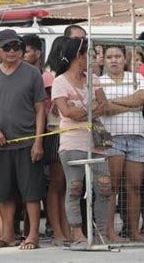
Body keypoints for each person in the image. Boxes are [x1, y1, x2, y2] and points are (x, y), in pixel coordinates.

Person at [0, 29, 46, 250]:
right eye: (7, 47)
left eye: (17, 47)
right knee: (2, 193)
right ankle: (6, 235)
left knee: (31, 193)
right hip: (1, 145)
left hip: (27, 143)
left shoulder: (32, 73)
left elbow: (41, 109)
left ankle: (32, 235)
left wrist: (38, 141)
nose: (13, 51)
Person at [52, 37, 111, 249]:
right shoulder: (60, 81)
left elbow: (104, 105)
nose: (93, 59)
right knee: (75, 187)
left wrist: (83, 111)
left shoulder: (93, 78)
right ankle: (77, 234)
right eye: (90, 55)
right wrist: (91, 108)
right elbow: (66, 112)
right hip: (72, 142)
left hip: (95, 141)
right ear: (79, 56)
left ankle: (101, 232)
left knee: (104, 186)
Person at [100, 45, 144, 242]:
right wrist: (131, 104)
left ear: (125, 58)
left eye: (117, 56)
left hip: (137, 137)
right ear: (103, 60)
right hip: (111, 138)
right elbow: (103, 108)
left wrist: (114, 104)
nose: (113, 60)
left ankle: (133, 231)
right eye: (109, 56)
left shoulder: (136, 77)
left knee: (134, 187)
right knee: (112, 188)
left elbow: (143, 98)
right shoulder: (99, 81)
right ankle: (110, 232)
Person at [43, 35, 72, 246]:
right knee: (57, 183)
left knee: (67, 185)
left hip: (71, 132)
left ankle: (66, 228)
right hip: (54, 132)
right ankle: (57, 230)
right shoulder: (50, 76)